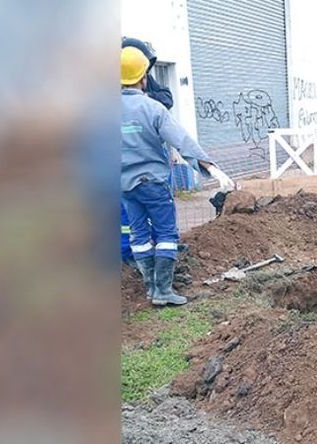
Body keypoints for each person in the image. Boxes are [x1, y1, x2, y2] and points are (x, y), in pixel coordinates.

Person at [121, 46, 235, 305]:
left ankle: (150, 287)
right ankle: (163, 291)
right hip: (153, 183)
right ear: (143, 77)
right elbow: (182, 141)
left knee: (138, 234)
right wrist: (211, 168)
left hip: (124, 185)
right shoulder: (153, 109)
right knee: (165, 234)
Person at [120, 37, 174, 267]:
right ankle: (131, 254)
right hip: (129, 166)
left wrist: (142, 101)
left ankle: (146, 255)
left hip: (134, 167)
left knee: (141, 220)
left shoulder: (142, 84)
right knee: (131, 220)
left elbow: (166, 97)